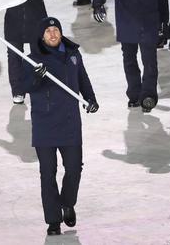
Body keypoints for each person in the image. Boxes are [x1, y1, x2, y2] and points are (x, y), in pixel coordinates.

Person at [19, 17, 99, 236]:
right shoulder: (33, 60)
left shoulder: (73, 54)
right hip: (44, 124)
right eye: (48, 31)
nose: (53, 34)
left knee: (74, 168)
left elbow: (82, 78)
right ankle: (53, 221)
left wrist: (90, 98)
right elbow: (22, 87)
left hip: (70, 121)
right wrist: (36, 78)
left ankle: (67, 203)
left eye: (56, 30)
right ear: (41, 36)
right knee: (48, 173)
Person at [4, 0, 53, 105]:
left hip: (36, 17)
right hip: (13, 19)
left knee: (38, 54)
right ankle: (18, 91)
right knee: (14, 56)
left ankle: (38, 86)